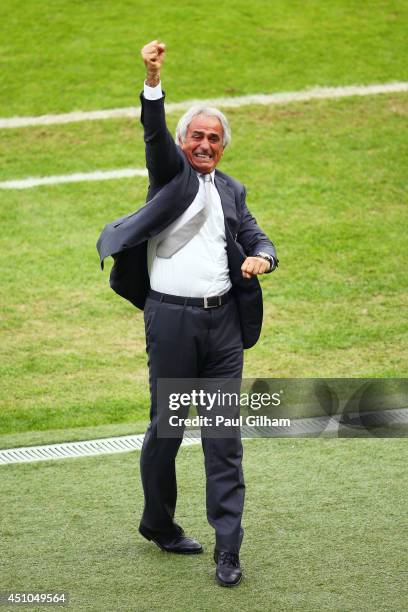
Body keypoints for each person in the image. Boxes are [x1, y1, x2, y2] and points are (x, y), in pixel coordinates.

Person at [97, 39, 278, 587]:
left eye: (214, 138)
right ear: (182, 144)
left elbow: (255, 235)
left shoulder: (232, 190)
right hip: (172, 323)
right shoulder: (170, 175)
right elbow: (153, 133)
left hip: (223, 327)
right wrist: (153, 79)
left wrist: (263, 258)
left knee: (224, 437)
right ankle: (160, 524)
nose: (205, 144)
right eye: (196, 136)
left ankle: (229, 549)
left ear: (223, 148)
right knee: (168, 431)